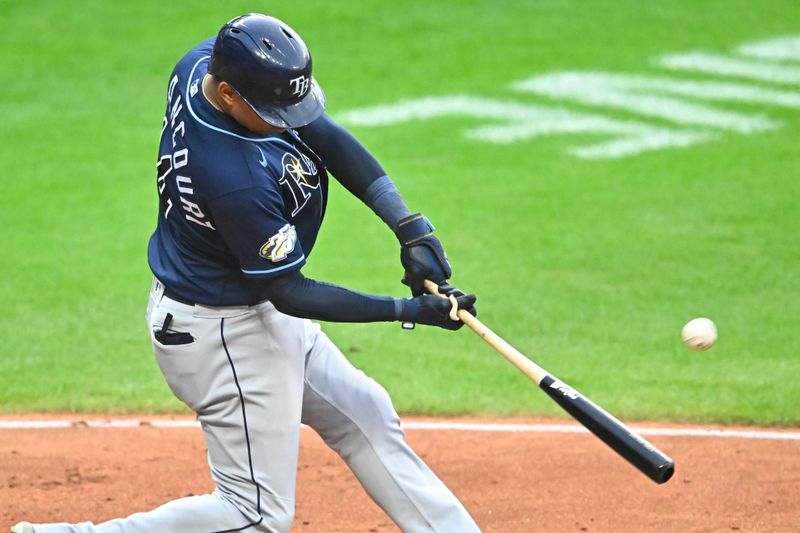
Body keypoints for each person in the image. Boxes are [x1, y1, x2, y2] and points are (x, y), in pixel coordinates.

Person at [13, 13, 480, 533]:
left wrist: (409, 226)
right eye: (272, 110)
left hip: (243, 310)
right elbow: (289, 291)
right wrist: (407, 310)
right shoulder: (233, 177)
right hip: (226, 334)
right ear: (231, 94)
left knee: (364, 416)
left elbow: (320, 132)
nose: (287, 120)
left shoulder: (200, 68)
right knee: (254, 515)